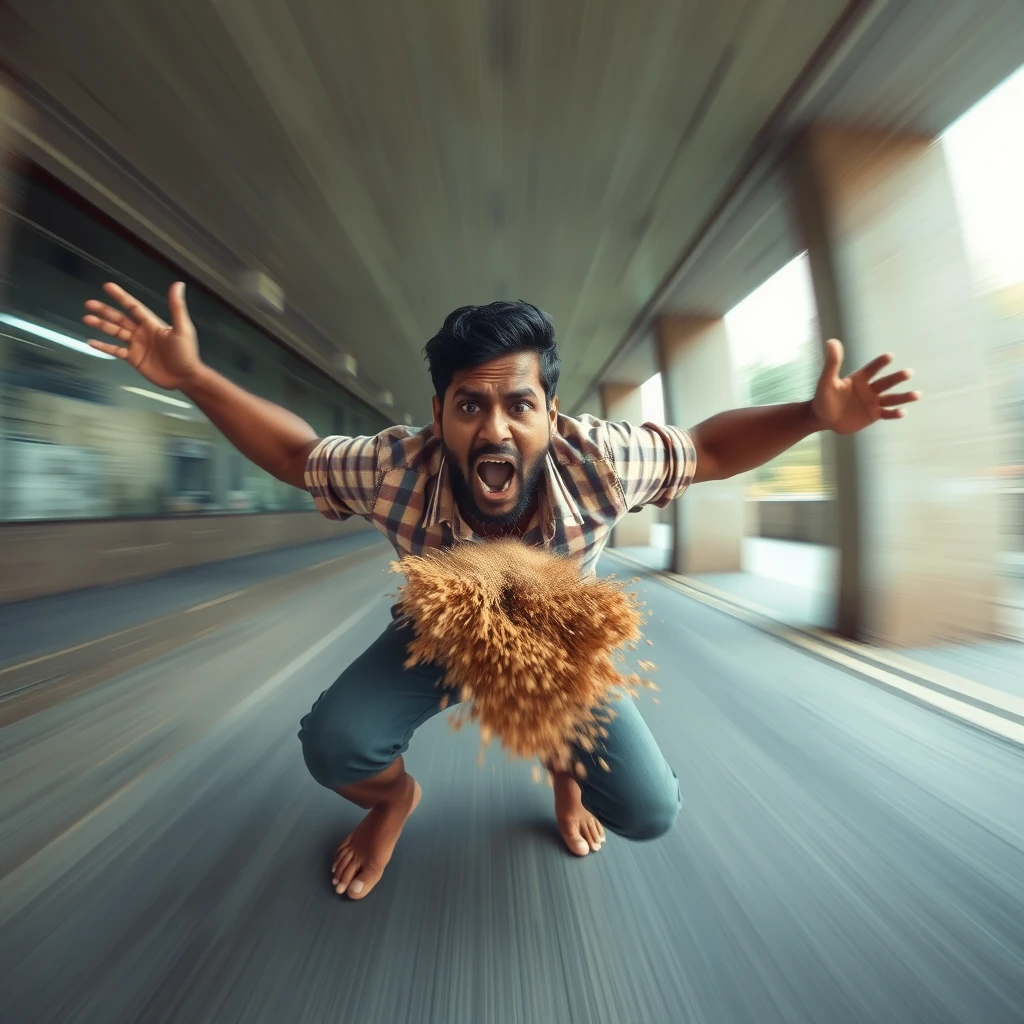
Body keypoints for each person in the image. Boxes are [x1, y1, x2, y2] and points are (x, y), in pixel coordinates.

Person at [83, 280, 920, 900]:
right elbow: (296, 456)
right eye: (469, 405)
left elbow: (708, 449)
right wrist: (195, 379)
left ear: (552, 415)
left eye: (518, 404)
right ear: (438, 414)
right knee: (333, 744)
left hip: (557, 645)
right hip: (438, 630)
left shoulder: (600, 460)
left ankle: (562, 771)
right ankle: (393, 802)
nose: (494, 428)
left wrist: (811, 416)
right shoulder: (393, 468)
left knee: (647, 809)